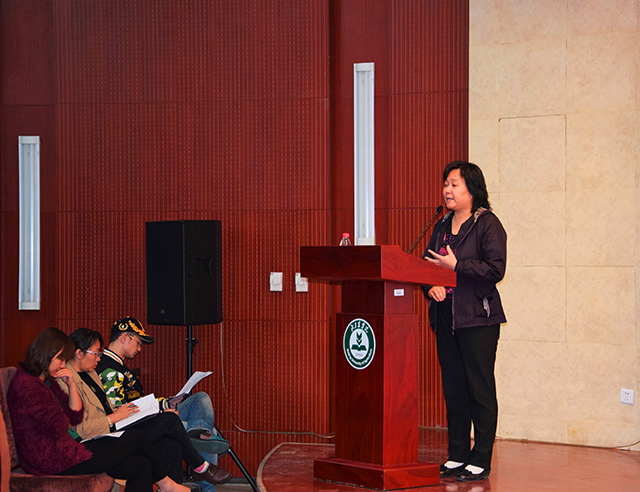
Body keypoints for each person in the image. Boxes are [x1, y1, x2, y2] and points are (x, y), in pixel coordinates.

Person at [6, 327, 191, 492]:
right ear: (45, 354)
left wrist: (71, 385)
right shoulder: (26, 385)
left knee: (140, 464)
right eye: (60, 359)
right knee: (137, 438)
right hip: (49, 460)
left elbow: (75, 416)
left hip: (66, 450)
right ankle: (168, 486)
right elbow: (61, 426)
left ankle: (169, 486)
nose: (63, 365)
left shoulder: (47, 381)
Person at [61, 328, 232, 487]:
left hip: (117, 425)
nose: (99, 358)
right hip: (100, 437)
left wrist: (151, 410)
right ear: (79, 353)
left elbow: (109, 406)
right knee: (170, 421)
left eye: (100, 354)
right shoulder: (67, 382)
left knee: (171, 444)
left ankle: (192, 461)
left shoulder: (91, 373)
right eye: (96, 353)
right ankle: (199, 465)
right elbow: (83, 428)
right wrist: (115, 417)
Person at [422, 161, 507, 482]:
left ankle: (480, 459)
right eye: (446, 183)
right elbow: (426, 266)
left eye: (454, 184)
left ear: (472, 189)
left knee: (479, 390)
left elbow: (496, 269)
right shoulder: (442, 225)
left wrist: (457, 266)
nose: (447, 190)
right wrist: (430, 286)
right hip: (446, 318)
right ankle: (457, 455)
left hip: (477, 319)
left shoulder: (487, 224)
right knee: (455, 390)